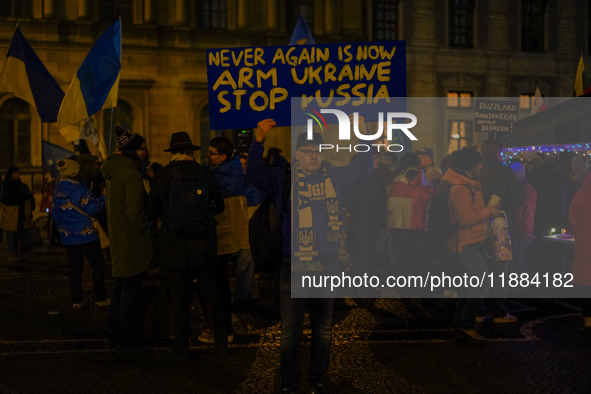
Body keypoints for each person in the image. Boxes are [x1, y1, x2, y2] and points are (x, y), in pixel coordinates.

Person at [246, 117, 373, 394]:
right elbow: (254, 174)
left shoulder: (336, 177)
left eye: (317, 151)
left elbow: (364, 168)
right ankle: (289, 383)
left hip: (327, 263)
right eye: (307, 151)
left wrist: (363, 137)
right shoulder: (284, 179)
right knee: (290, 332)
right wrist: (258, 140)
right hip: (294, 264)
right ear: (297, 155)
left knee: (323, 330)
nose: (313, 156)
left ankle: (317, 380)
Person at [147, 132, 227, 360]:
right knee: (211, 295)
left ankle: (181, 347)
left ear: (172, 152)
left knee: (179, 298)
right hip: (204, 243)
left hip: (173, 244)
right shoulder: (206, 174)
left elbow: (151, 211)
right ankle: (221, 345)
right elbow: (219, 207)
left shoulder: (163, 175)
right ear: (191, 152)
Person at [101, 125, 157, 352]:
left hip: (119, 238)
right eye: (142, 149)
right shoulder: (130, 173)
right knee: (129, 292)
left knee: (120, 289)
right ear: (132, 151)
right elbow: (136, 212)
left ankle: (113, 334)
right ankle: (125, 339)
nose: (145, 152)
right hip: (132, 241)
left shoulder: (114, 171)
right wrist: (152, 230)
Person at [443, 147, 500, 345]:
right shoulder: (461, 188)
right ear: (471, 165)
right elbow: (465, 219)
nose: (482, 167)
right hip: (464, 242)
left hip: (469, 241)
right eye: (479, 163)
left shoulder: (466, 185)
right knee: (482, 282)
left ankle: (462, 323)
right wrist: (489, 211)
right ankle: (466, 324)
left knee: (470, 285)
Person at [197, 136, 247, 344]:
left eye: (211, 153)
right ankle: (221, 327)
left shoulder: (221, 174)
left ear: (223, 156)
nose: (207, 155)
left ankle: (221, 330)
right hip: (226, 237)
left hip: (220, 237)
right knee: (221, 283)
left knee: (215, 285)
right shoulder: (232, 169)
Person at [478, 139, 525, 323]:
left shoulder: (476, 171)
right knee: (499, 268)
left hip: (476, 223)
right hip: (499, 226)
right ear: (498, 152)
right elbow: (518, 198)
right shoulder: (506, 171)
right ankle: (498, 311)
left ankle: (477, 309)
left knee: (479, 267)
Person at [52, 159, 109, 309]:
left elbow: (56, 215)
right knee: (97, 265)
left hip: (68, 237)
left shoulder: (57, 191)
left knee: (75, 269)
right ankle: (100, 298)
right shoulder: (83, 191)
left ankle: (77, 301)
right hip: (87, 235)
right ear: (76, 173)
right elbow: (93, 209)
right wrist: (103, 197)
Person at [387, 152, 435, 298]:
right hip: (414, 225)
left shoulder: (396, 177)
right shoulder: (415, 174)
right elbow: (430, 189)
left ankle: (404, 294)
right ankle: (422, 293)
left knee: (402, 264)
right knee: (419, 263)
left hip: (396, 225)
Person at [234, 153, 266, 310]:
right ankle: (252, 294)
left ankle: (240, 298)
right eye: (240, 165)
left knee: (245, 260)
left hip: (250, 225)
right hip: (245, 224)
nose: (242, 168)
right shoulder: (243, 183)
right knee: (246, 259)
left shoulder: (253, 185)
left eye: (245, 165)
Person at [568, 172, 591, 329]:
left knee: (585, 281)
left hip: (584, 243)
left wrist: (577, 231)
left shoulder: (580, 194)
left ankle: (588, 317)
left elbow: (572, 217)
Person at [0, 166, 35, 261]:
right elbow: (5, 199)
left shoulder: (21, 185)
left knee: (18, 234)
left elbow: (28, 197)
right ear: (10, 175)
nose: (17, 175)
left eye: (18, 173)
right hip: (11, 213)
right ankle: (12, 253)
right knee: (11, 234)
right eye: (15, 173)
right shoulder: (6, 186)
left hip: (20, 213)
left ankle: (15, 252)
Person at [510, 163, 537, 277]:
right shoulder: (531, 188)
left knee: (518, 263)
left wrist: (512, 232)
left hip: (519, 231)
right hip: (528, 229)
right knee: (522, 260)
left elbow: (517, 215)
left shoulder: (519, 190)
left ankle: (520, 289)